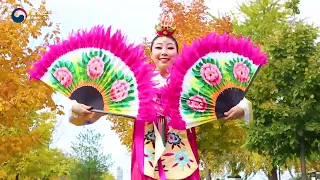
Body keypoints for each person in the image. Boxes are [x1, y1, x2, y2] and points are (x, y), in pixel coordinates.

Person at [63, 18, 253, 179]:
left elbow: (233, 98)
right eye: (159, 47)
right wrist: (75, 109)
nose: (164, 51)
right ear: (151, 53)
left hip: (181, 148)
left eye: (170, 47)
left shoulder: (192, 80)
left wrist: (241, 109)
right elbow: (104, 106)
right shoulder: (135, 82)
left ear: (177, 54)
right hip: (146, 147)